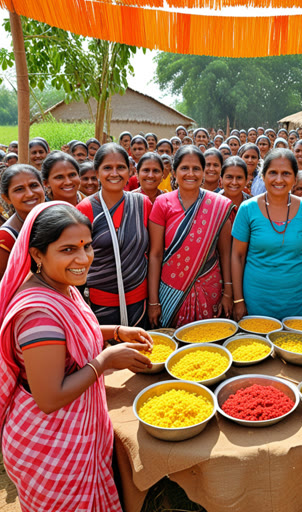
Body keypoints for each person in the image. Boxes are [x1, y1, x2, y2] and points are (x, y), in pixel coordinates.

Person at [0, 201, 153, 512]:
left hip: (71, 436)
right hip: (50, 447)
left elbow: (72, 330)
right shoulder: (38, 315)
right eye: (68, 249)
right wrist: (106, 361)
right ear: (37, 254)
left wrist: (117, 331)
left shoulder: (60, 287)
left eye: (87, 246)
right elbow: (50, 397)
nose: (84, 258)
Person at [147, 145, 233, 328]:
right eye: (184, 168)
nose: (190, 174)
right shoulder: (162, 203)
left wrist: (228, 293)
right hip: (171, 289)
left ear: (203, 173)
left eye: (196, 169)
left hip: (210, 287)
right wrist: (153, 301)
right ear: (174, 172)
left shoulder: (218, 205)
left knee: (208, 343)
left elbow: (225, 254)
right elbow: (155, 254)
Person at [232, 148, 302, 320]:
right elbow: (237, 255)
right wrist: (238, 300)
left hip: (297, 301)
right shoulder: (247, 209)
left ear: (295, 179)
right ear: (263, 176)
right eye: (273, 173)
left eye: (286, 173)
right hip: (256, 300)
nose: (279, 179)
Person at [76, 143, 152, 327]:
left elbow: (154, 253)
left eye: (120, 167)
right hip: (101, 305)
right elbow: (78, 258)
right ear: (97, 172)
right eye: (107, 168)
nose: (114, 173)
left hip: (140, 302)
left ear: (130, 170)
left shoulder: (142, 204)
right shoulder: (84, 210)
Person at [0, 165, 45, 280]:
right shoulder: (6, 238)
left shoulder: (53, 220)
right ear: (6, 198)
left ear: (43, 187)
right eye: (19, 189)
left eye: (34, 185)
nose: (30, 194)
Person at [220, 156, 250, 223]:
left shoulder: (252, 206)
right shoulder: (212, 204)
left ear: (246, 180)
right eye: (229, 177)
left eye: (239, 177)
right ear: (221, 179)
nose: (234, 182)